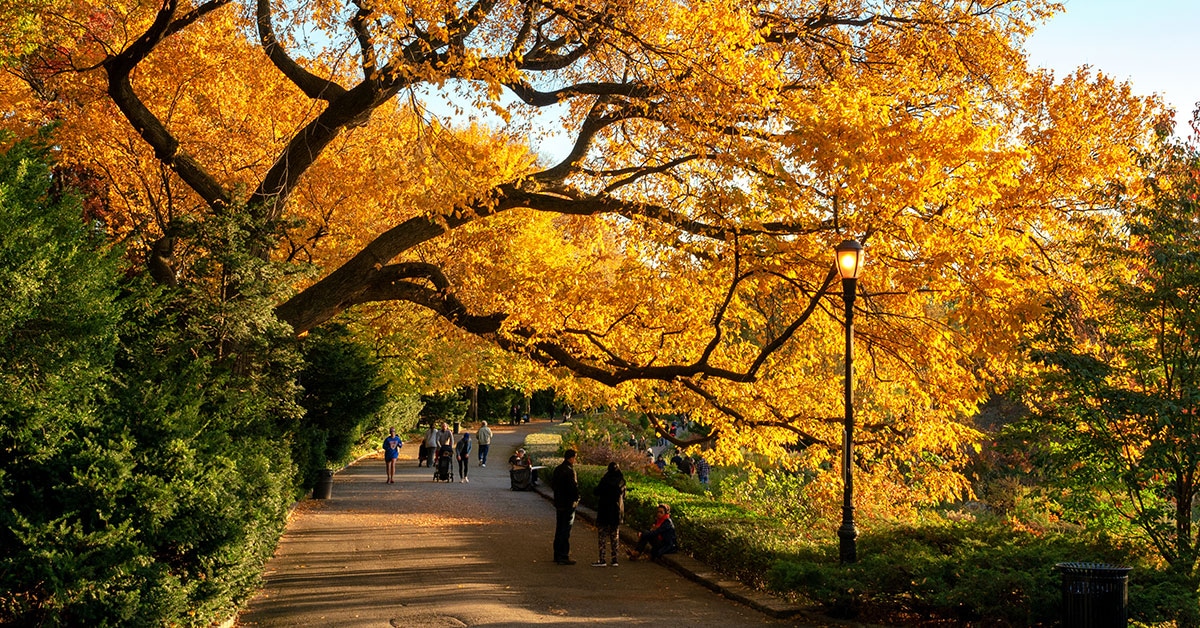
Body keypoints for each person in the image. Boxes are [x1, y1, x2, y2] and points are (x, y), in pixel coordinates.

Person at [592, 462, 626, 567]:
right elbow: (624, 496)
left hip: (604, 510)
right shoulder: (621, 481)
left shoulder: (605, 480)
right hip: (616, 511)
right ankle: (614, 559)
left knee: (602, 535)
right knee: (614, 536)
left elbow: (596, 492)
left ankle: (602, 559)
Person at [551, 449, 580, 565]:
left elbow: (553, 484)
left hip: (559, 502)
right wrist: (577, 497)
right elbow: (573, 488)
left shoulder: (558, 469)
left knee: (559, 528)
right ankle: (563, 555)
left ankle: (557, 554)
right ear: (571, 458)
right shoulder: (570, 471)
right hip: (568, 503)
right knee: (566, 529)